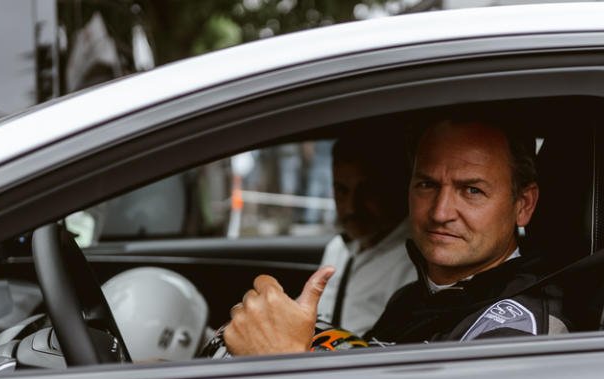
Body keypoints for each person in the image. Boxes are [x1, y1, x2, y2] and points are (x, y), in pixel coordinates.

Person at [223, 115, 568, 357]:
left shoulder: (521, 330)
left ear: (523, 204)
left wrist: (284, 362)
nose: (440, 211)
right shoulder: (414, 300)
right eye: (427, 185)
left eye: (472, 190)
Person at [316, 134, 415, 336]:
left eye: (367, 190)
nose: (351, 206)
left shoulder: (414, 262)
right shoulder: (337, 248)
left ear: (396, 187)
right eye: (342, 190)